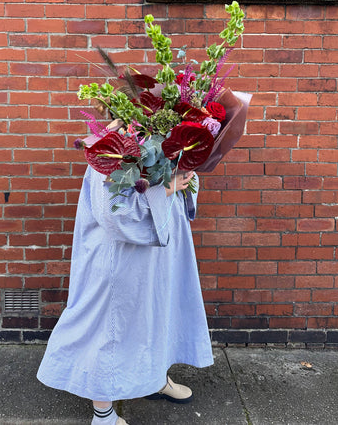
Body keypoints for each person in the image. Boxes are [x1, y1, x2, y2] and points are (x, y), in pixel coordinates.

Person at [37, 165, 213, 425]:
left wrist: (186, 174)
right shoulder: (107, 151)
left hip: (161, 252)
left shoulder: (161, 136)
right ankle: (103, 414)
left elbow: (177, 187)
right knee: (108, 328)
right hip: (120, 255)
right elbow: (112, 212)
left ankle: (153, 377)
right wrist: (166, 188)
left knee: (156, 313)